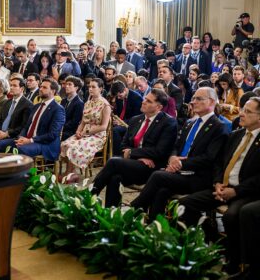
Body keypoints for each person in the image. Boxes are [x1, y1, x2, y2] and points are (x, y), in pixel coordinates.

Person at [179, 97, 260, 277]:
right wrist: (217, 183)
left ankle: (236, 260)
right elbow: (218, 163)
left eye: (248, 112)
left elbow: (257, 179)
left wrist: (236, 191)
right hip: (222, 186)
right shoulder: (235, 135)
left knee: (232, 215)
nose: (241, 114)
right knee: (186, 204)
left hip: (245, 192)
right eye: (242, 109)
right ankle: (201, 246)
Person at [130, 87, 228, 220]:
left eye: (198, 99)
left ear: (211, 102)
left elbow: (209, 158)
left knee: (158, 176)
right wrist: (173, 158)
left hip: (198, 177)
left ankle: (135, 208)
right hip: (180, 173)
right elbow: (176, 146)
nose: (193, 102)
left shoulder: (218, 126)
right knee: (161, 191)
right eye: (193, 98)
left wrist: (181, 163)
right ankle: (155, 227)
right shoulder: (190, 123)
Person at [91, 89, 177, 206]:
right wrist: (138, 156)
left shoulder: (168, 123)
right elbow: (123, 145)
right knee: (115, 177)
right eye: (145, 99)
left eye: (148, 101)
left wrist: (133, 153)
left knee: (113, 162)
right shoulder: (136, 119)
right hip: (134, 164)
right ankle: (111, 213)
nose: (143, 102)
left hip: (152, 168)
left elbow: (159, 151)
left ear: (158, 107)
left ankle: (89, 195)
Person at [0, 78, 65, 161]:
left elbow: (52, 134)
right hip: (28, 139)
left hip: (45, 144)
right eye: (40, 87)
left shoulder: (58, 109)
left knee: (21, 149)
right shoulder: (36, 106)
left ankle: (22, 173)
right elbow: (26, 126)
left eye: (44, 87)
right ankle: (2, 171)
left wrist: (30, 140)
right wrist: (21, 137)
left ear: (53, 91)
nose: (40, 89)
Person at [60, 78, 111, 182]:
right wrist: (78, 132)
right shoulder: (88, 103)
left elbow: (104, 126)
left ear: (100, 89)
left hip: (97, 135)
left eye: (93, 87)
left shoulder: (105, 105)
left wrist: (87, 132)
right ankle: (72, 172)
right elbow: (83, 121)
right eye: (89, 87)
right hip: (84, 132)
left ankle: (70, 173)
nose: (90, 89)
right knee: (64, 144)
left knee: (72, 146)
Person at [0, 77, 33, 144]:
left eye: (14, 86)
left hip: (13, 136)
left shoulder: (28, 105)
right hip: (0, 133)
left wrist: (7, 133)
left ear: (22, 88)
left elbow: (23, 126)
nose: (11, 87)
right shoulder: (7, 102)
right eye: (11, 85)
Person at [60, 76, 84, 141]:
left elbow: (74, 123)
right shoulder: (63, 101)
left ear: (76, 88)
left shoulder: (79, 103)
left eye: (70, 84)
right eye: (66, 84)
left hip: (70, 132)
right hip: (60, 128)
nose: (66, 86)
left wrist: (60, 127)